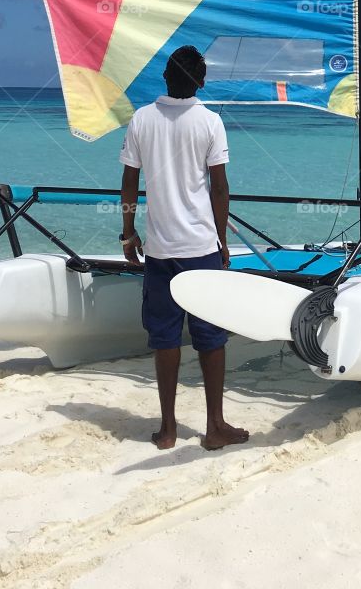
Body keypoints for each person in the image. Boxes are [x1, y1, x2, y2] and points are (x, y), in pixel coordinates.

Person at [119, 45, 249, 451]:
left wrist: (128, 232)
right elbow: (220, 188)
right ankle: (214, 426)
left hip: (160, 249)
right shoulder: (210, 122)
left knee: (165, 338)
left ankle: (168, 429)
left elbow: (128, 184)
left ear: (165, 78)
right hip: (201, 247)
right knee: (211, 337)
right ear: (201, 80)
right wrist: (222, 240)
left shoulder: (142, 119)